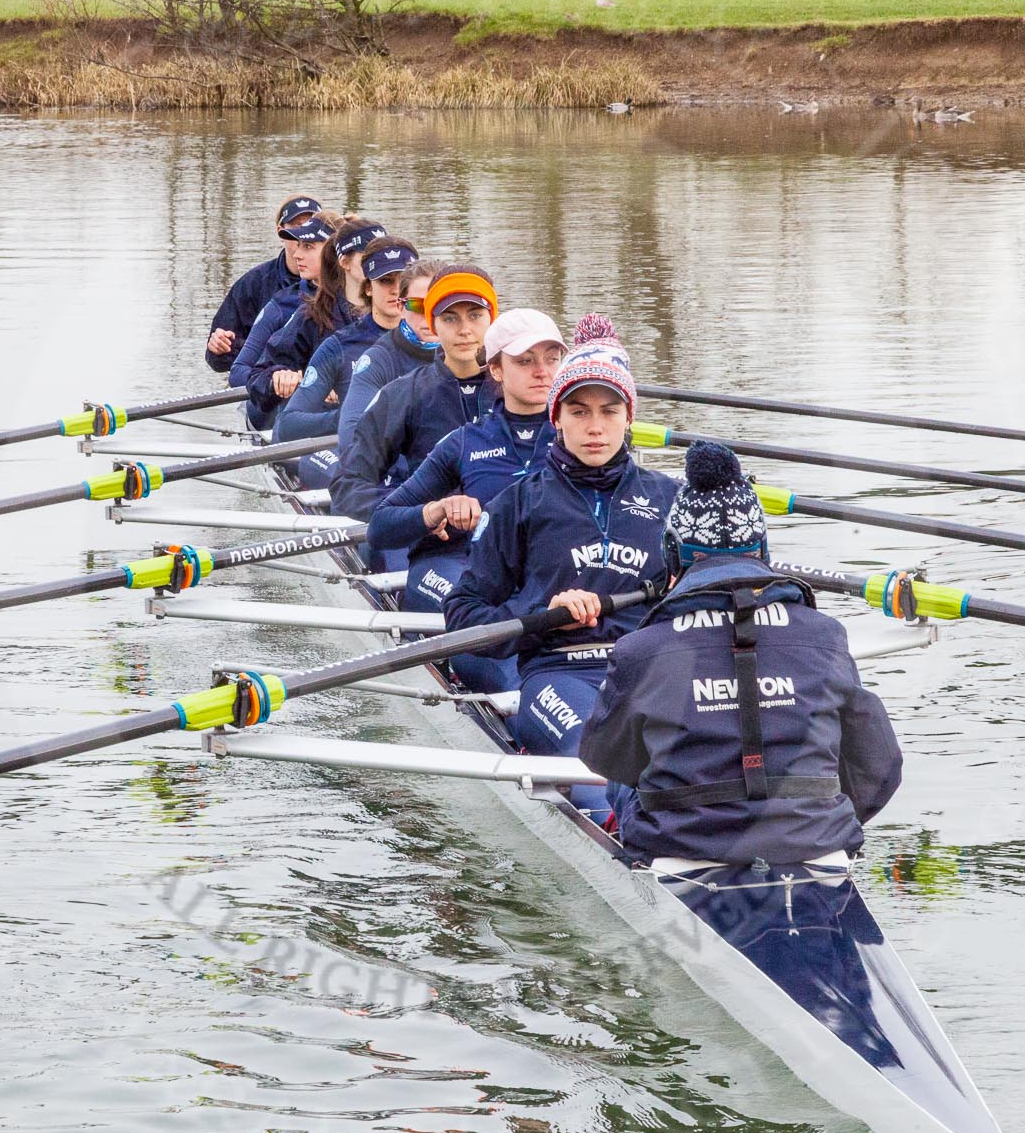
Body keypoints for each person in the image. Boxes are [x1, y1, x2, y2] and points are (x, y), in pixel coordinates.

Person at [579, 441, 903, 867]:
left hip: (680, 851)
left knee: (625, 780)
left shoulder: (640, 649)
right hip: (818, 849)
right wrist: (815, 820)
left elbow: (602, 757)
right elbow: (881, 766)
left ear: (672, 552)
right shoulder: (826, 637)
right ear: (763, 552)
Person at [443, 316, 677, 812]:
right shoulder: (518, 503)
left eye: (609, 412)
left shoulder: (671, 500)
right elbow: (462, 613)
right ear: (557, 418)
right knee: (603, 764)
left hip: (654, 671)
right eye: (579, 411)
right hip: (559, 675)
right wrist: (540, 615)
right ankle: (629, 830)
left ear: (629, 417)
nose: (595, 427)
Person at [366, 308, 565, 691]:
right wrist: (435, 510)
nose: (543, 371)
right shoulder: (464, 443)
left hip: (544, 583)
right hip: (465, 573)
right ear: (496, 370)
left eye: (552, 359)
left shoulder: (580, 440)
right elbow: (380, 526)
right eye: (525, 361)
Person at [330, 264, 497, 527]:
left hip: (512, 541)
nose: (465, 330)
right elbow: (347, 485)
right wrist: (414, 515)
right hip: (437, 543)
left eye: (475, 316)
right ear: (434, 323)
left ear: (493, 320)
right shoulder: (403, 394)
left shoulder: (524, 388)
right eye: (450, 318)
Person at [274, 239, 421, 490]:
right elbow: (286, 428)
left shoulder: (441, 343)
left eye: (403, 282)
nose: (396, 290)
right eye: (386, 281)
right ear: (368, 289)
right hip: (347, 452)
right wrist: (348, 418)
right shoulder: (339, 347)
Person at [245, 215, 382, 427]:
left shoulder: (406, 312)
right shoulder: (312, 316)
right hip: (329, 432)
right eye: (369, 256)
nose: (381, 264)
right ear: (343, 261)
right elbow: (257, 379)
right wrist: (281, 378)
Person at [226, 207, 335, 429]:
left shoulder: (362, 306)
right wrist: (290, 380)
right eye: (299, 245)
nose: (297, 255)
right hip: (276, 413)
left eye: (308, 247)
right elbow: (238, 373)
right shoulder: (284, 304)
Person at [205, 195, 322, 375]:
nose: (304, 234)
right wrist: (219, 348)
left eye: (311, 226)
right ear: (280, 231)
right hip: (266, 385)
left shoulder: (344, 286)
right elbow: (222, 363)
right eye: (297, 226)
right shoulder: (253, 284)